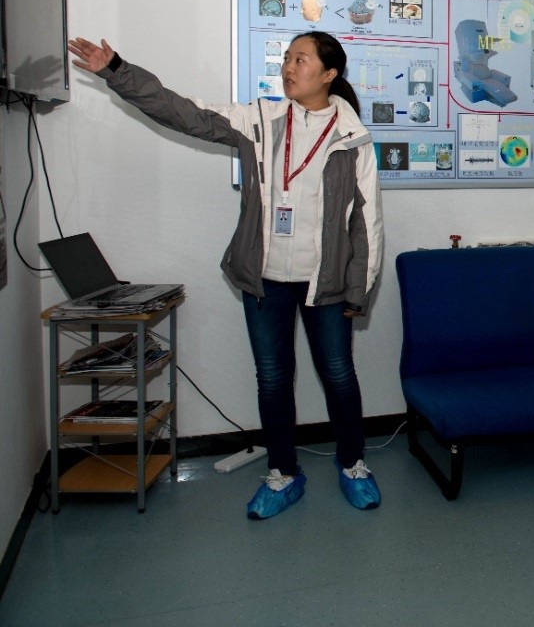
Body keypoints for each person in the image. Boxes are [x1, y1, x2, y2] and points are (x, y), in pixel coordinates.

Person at [67, 31, 384, 521]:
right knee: (273, 379)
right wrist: (117, 72)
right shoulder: (259, 119)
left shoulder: (352, 136)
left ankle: (353, 464)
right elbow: (182, 111)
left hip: (326, 285)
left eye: (301, 60)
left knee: (339, 376)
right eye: (286, 58)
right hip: (264, 280)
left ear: (329, 74)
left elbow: (367, 220)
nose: (288, 67)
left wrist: (358, 290)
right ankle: (283, 474)